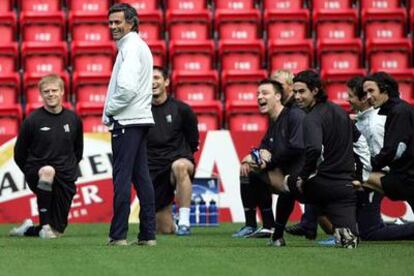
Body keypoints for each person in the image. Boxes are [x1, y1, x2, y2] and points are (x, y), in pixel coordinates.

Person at [266, 70, 359, 248]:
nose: (297, 96)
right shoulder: (341, 112)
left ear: (315, 91)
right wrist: (360, 175)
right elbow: (360, 142)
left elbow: (314, 149)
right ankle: (342, 231)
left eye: (302, 92)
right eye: (295, 92)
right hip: (346, 187)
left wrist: (303, 175)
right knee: (350, 234)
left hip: (323, 183)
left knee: (287, 183)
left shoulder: (311, 118)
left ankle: (277, 236)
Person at [103, 3, 156, 246]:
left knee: (122, 178)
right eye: (111, 22)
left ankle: (118, 235)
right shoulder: (137, 45)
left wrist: (110, 110)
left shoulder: (130, 48)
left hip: (126, 120)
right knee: (141, 178)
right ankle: (147, 235)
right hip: (140, 118)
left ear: (132, 23)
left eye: (118, 22)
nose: (113, 26)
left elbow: (126, 88)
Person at [10, 74, 83, 239]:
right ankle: (44, 226)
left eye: (54, 90)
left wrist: (68, 168)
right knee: (48, 171)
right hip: (39, 171)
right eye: (46, 91)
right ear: (41, 95)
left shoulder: (73, 119)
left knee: (58, 231)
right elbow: (19, 153)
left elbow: (78, 151)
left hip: (65, 175)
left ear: (62, 92)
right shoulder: (32, 120)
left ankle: (28, 229)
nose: (50, 94)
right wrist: (31, 171)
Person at [233, 79, 305, 239]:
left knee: (332, 226)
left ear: (278, 96)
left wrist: (268, 160)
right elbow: (263, 148)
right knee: (248, 169)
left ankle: (269, 225)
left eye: (265, 93)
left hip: (303, 180)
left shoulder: (294, 115)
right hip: (285, 178)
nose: (259, 97)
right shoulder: (274, 122)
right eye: (257, 94)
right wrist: (253, 157)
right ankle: (261, 225)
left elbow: (297, 148)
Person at [147, 66, 199, 236]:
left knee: (180, 166)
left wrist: (183, 156)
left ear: (166, 82)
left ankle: (184, 221)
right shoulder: (141, 111)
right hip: (154, 168)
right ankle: (175, 224)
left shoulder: (182, 110)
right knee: (164, 229)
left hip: (178, 162)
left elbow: (193, 142)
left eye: (156, 78)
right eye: (149, 78)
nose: (153, 82)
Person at [356, 72, 414, 202]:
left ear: (385, 90)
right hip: (405, 175)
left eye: (371, 91)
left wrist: (368, 164)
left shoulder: (399, 111)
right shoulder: (399, 109)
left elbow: (393, 151)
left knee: (357, 174)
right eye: (366, 93)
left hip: (407, 179)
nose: (368, 97)